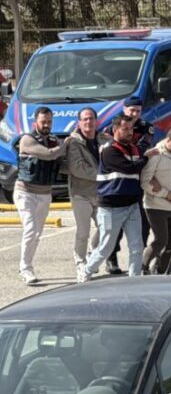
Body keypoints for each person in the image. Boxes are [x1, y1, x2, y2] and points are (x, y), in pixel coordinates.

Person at [79, 115, 148, 281]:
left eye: (131, 129)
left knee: (137, 246)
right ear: (115, 130)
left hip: (132, 204)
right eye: (125, 129)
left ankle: (134, 280)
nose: (129, 132)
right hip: (110, 207)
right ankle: (86, 271)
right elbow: (129, 168)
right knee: (106, 247)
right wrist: (147, 157)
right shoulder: (109, 150)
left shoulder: (134, 149)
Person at [14, 106, 64, 285]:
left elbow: (61, 160)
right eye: (44, 122)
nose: (47, 125)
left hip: (44, 194)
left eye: (49, 122)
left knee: (37, 234)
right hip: (25, 193)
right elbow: (49, 155)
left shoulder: (54, 139)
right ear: (36, 122)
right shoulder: (27, 140)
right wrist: (68, 143)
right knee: (30, 229)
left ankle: (25, 265)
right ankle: (26, 268)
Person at [106, 97, 154, 275]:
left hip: (138, 177)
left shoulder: (145, 127)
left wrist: (126, 148)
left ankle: (139, 260)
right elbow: (109, 146)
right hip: (117, 181)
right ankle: (111, 259)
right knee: (115, 225)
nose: (134, 114)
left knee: (142, 222)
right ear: (124, 110)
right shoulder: (113, 124)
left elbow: (141, 149)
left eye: (138, 111)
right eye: (131, 110)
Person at [140, 126, 171, 275]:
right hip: (155, 205)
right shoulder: (156, 155)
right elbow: (145, 181)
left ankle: (162, 271)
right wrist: (165, 194)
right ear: (168, 140)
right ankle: (142, 266)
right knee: (160, 240)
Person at [65, 107, 102, 275]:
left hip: (101, 193)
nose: (88, 122)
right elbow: (78, 168)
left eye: (91, 118)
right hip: (80, 193)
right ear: (79, 122)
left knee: (107, 228)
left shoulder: (104, 139)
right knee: (83, 232)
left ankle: (92, 254)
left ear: (96, 120)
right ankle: (80, 261)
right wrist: (105, 175)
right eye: (85, 119)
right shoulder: (73, 142)